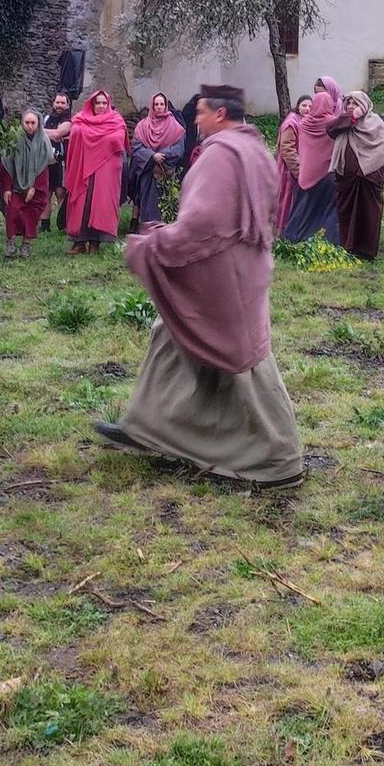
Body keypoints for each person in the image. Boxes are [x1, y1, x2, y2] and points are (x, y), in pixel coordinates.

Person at [97, 85, 304, 487]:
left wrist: (154, 245)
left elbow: (203, 224)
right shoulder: (256, 151)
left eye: (202, 113)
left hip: (221, 279)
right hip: (245, 272)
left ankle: (280, 460)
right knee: (172, 337)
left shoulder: (222, 155)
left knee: (246, 365)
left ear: (221, 115)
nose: (196, 120)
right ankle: (148, 428)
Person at [329, 89, 384, 260]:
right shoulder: (343, 122)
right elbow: (330, 129)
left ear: (364, 105)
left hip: (369, 178)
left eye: (355, 103)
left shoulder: (375, 122)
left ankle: (366, 249)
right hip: (346, 179)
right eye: (348, 102)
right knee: (346, 211)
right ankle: (347, 246)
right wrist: (351, 117)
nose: (350, 106)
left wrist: (369, 168)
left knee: (368, 212)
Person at [61, 90, 128, 253]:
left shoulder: (116, 120)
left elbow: (117, 141)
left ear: (109, 104)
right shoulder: (80, 119)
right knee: (83, 202)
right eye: (98, 103)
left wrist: (91, 138)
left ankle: (95, 243)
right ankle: (79, 242)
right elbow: (74, 133)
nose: (101, 106)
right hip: (83, 168)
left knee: (100, 204)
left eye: (104, 103)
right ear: (92, 104)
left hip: (106, 169)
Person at [281, 79, 344, 244]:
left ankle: (295, 239)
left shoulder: (304, 123)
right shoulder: (333, 122)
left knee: (304, 210)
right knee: (325, 211)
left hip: (306, 173)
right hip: (326, 173)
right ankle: (325, 242)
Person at [126, 92, 187, 231]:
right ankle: (148, 233)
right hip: (147, 172)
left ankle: (165, 235)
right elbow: (136, 146)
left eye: (162, 104)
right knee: (148, 204)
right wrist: (152, 155)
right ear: (152, 106)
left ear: (166, 106)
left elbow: (179, 148)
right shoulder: (142, 126)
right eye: (156, 104)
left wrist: (163, 155)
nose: (159, 107)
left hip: (166, 173)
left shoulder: (175, 126)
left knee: (165, 203)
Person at [1, 109, 57, 258]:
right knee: (13, 211)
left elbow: (44, 167)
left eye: (33, 123)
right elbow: (7, 164)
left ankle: (26, 245)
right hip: (16, 186)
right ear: (22, 123)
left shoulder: (43, 141)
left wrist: (34, 187)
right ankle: (11, 243)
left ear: (38, 124)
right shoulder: (14, 138)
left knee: (31, 214)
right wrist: (7, 188)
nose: (30, 126)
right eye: (27, 123)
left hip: (37, 186)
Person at [275, 93, 311, 234]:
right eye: (304, 105)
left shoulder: (305, 121)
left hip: (299, 167)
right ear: (298, 107)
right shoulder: (291, 123)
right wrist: (298, 170)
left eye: (310, 106)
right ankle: (281, 233)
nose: (307, 109)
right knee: (285, 199)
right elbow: (287, 149)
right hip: (288, 169)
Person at [43, 92, 74, 232]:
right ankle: (44, 226)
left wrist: (40, 131)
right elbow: (54, 134)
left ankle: (62, 226)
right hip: (45, 161)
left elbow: (58, 134)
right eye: (58, 102)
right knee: (46, 193)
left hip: (62, 162)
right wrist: (51, 133)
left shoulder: (68, 120)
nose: (60, 106)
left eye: (63, 103)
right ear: (53, 103)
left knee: (60, 192)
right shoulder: (47, 118)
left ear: (67, 105)